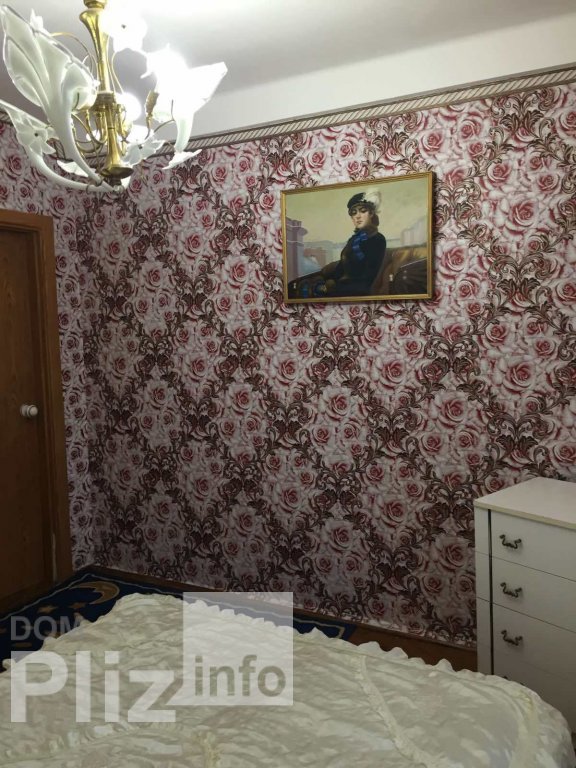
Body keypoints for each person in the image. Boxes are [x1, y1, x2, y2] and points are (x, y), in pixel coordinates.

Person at [318, 189, 388, 297]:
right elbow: (342, 266)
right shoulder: (354, 240)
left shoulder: (378, 239)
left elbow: (369, 276)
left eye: (363, 211)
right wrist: (330, 281)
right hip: (343, 286)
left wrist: (336, 287)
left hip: (359, 290)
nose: (357, 216)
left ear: (371, 213)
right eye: (353, 213)